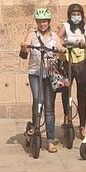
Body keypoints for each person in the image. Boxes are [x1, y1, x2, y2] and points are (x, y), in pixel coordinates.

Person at [20, 8, 65, 152]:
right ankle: (35, 127)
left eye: (44, 21)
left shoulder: (54, 36)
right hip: (35, 73)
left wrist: (62, 51)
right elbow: (24, 54)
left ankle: (50, 141)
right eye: (40, 22)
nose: (42, 24)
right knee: (38, 99)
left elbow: (60, 51)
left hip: (50, 74)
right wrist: (24, 48)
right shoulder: (32, 35)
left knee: (49, 108)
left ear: (49, 22)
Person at [56, 3, 86, 138]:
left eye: (78, 14)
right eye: (73, 14)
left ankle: (82, 125)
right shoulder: (66, 26)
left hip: (81, 63)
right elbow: (57, 38)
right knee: (66, 90)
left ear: (82, 15)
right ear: (69, 15)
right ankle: (67, 116)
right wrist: (62, 47)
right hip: (68, 61)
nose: (76, 17)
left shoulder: (85, 27)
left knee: (81, 95)